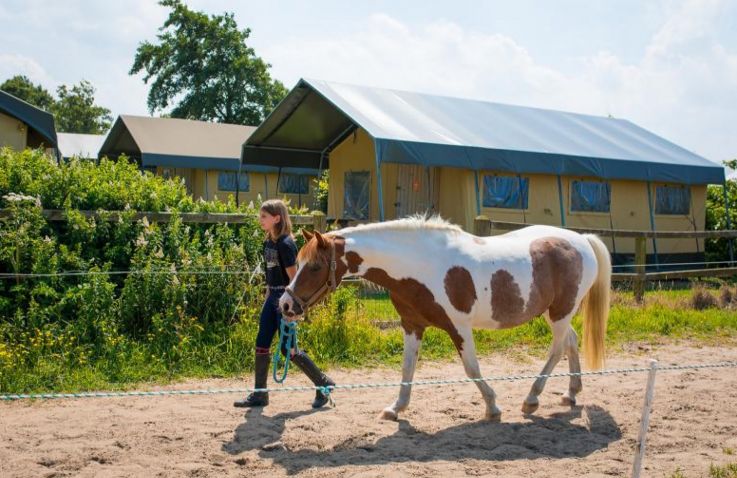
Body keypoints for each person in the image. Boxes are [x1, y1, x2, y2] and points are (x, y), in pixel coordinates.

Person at [234, 199, 335, 409]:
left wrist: (291, 310)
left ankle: (323, 383)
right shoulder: (268, 242)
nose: (260, 220)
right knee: (261, 343)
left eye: (264, 216)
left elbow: (293, 279)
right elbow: (270, 275)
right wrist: (267, 297)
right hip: (272, 298)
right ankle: (260, 394)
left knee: (288, 349)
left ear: (277, 218)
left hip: (285, 299)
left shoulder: (286, 244)